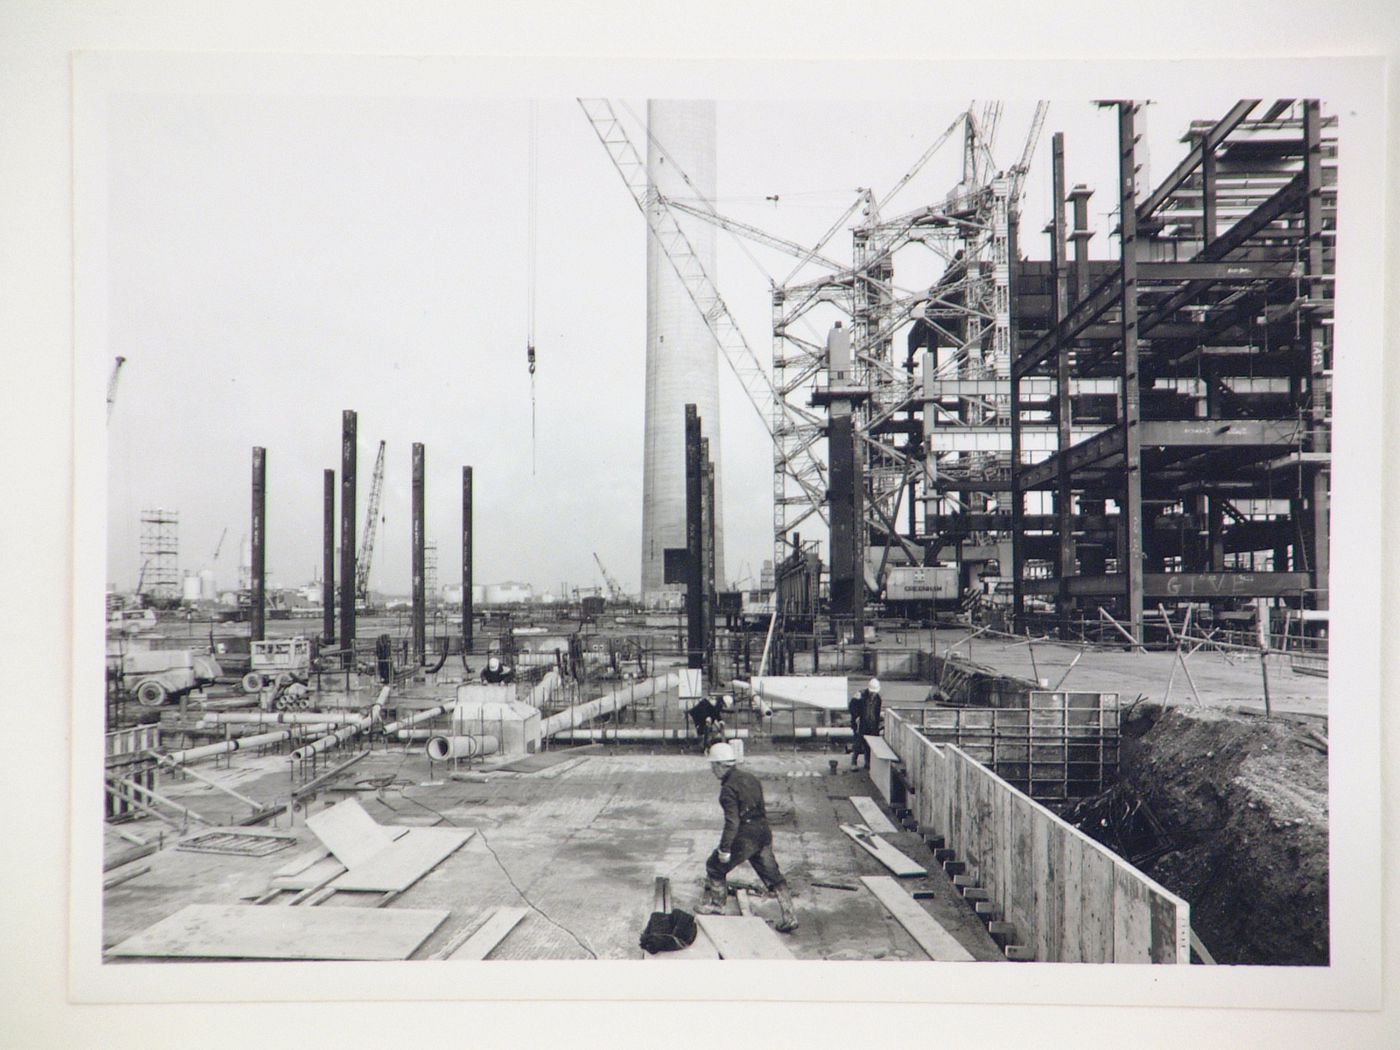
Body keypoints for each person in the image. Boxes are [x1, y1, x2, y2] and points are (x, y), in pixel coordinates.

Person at [697, 742, 799, 933]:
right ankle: (790, 915)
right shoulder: (751, 778)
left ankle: (717, 907)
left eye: (713, 766)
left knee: (714, 866)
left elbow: (732, 822)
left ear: (720, 765)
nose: (712, 771)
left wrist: (725, 849)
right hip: (763, 832)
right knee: (773, 876)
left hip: (746, 836)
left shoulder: (727, 790)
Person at [848, 677, 884, 770]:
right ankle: (854, 762)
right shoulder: (860, 695)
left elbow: (876, 712)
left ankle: (867, 762)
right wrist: (856, 717)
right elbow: (851, 707)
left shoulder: (878, 699)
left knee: (869, 744)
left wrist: (877, 724)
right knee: (857, 743)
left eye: (874, 692)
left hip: (871, 724)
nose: (873, 694)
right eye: (872, 692)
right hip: (860, 723)